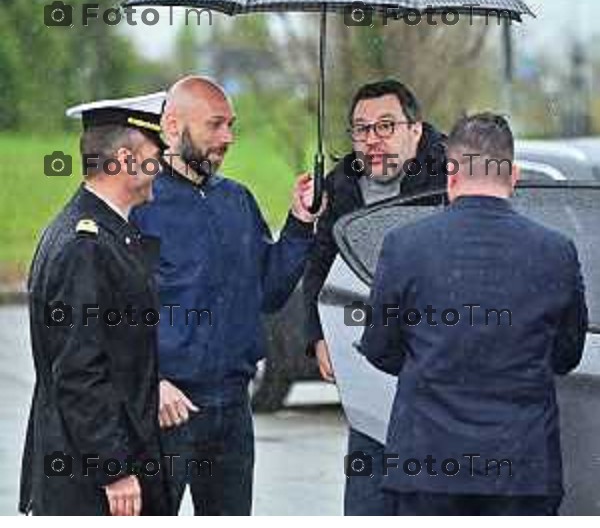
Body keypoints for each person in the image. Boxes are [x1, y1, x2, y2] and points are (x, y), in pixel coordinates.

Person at [361, 112, 588, 515]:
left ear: (451, 173)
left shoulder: (405, 246)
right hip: (521, 470)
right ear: (512, 174)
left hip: (427, 464)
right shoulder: (556, 252)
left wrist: (431, 365)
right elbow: (567, 354)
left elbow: (380, 348)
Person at [131, 76, 321, 515]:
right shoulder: (141, 206)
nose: (228, 138)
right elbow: (118, 312)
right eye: (215, 125)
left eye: (231, 125)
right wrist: (151, 382)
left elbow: (270, 293)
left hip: (233, 407)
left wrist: (298, 224)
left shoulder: (237, 201)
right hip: (166, 409)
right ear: (173, 125)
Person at [19, 98, 172, 515]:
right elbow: (79, 371)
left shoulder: (106, 232)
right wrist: (114, 469)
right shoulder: (85, 246)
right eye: (156, 156)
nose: (163, 166)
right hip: (91, 484)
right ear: (125, 159)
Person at [302, 78, 447, 515]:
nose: (372, 140)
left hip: (435, 365)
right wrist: (317, 335)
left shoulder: (446, 177)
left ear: (415, 130)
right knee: (367, 497)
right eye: (362, 129)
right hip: (366, 360)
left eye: (386, 126)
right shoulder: (339, 185)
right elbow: (317, 264)